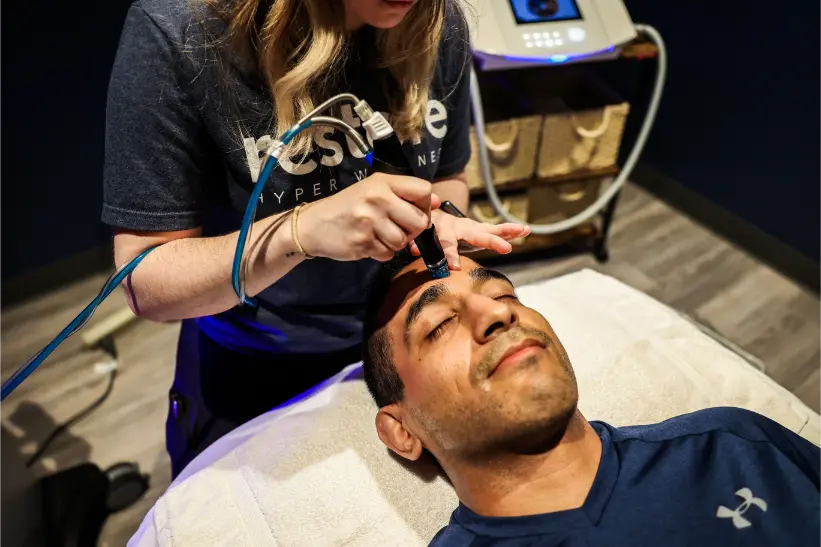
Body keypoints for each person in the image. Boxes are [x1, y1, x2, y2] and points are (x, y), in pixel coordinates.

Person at [103, 0, 530, 478]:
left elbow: (448, 177)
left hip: (392, 349)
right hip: (256, 362)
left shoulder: (436, 19)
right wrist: (299, 231)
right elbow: (144, 281)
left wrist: (437, 218)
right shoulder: (182, 31)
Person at [362, 252, 821, 546]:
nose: (498, 311)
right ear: (401, 430)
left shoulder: (729, 444)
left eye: (504, 293)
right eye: (440, 325)